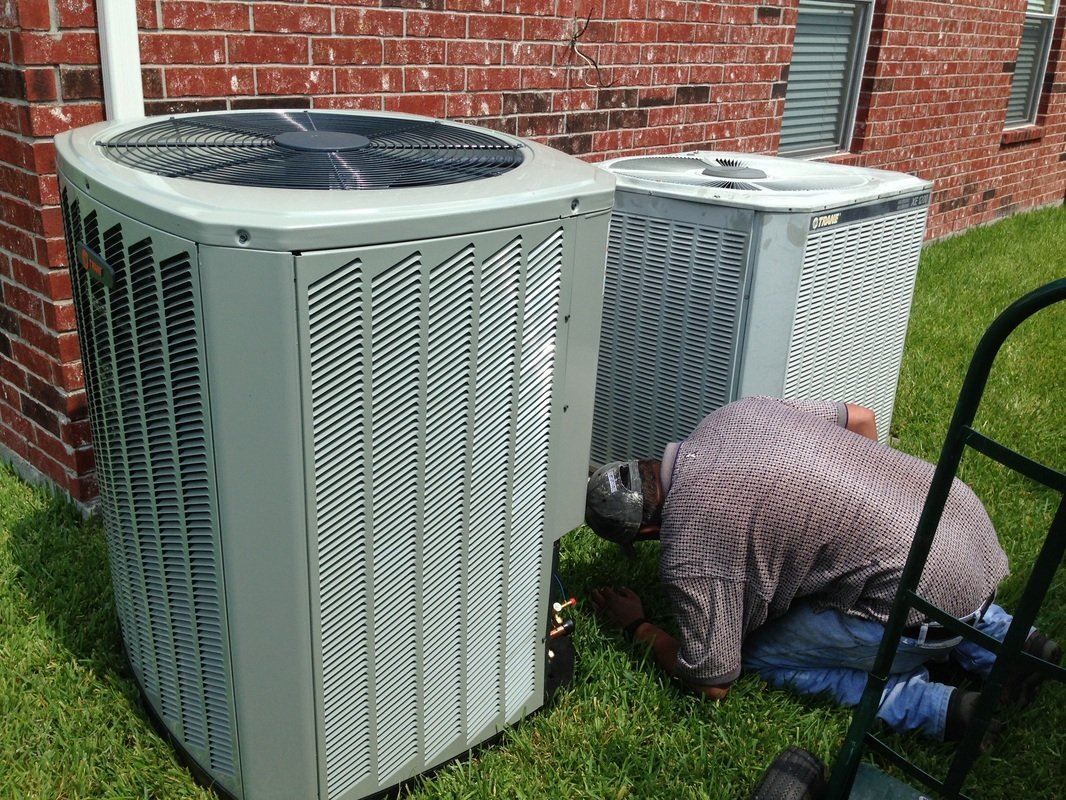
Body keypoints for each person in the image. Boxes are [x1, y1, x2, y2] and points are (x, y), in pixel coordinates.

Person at [585, 396, 1061, 741]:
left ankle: (937, 709)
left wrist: (640, 627)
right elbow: (861, 419)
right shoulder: (731, 415)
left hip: (923, 611)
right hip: (966, 527)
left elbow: (713, 680)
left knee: (751, 652)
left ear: (646, 532)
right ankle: (1010, 641)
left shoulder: (689, 547)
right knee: (897, 565)